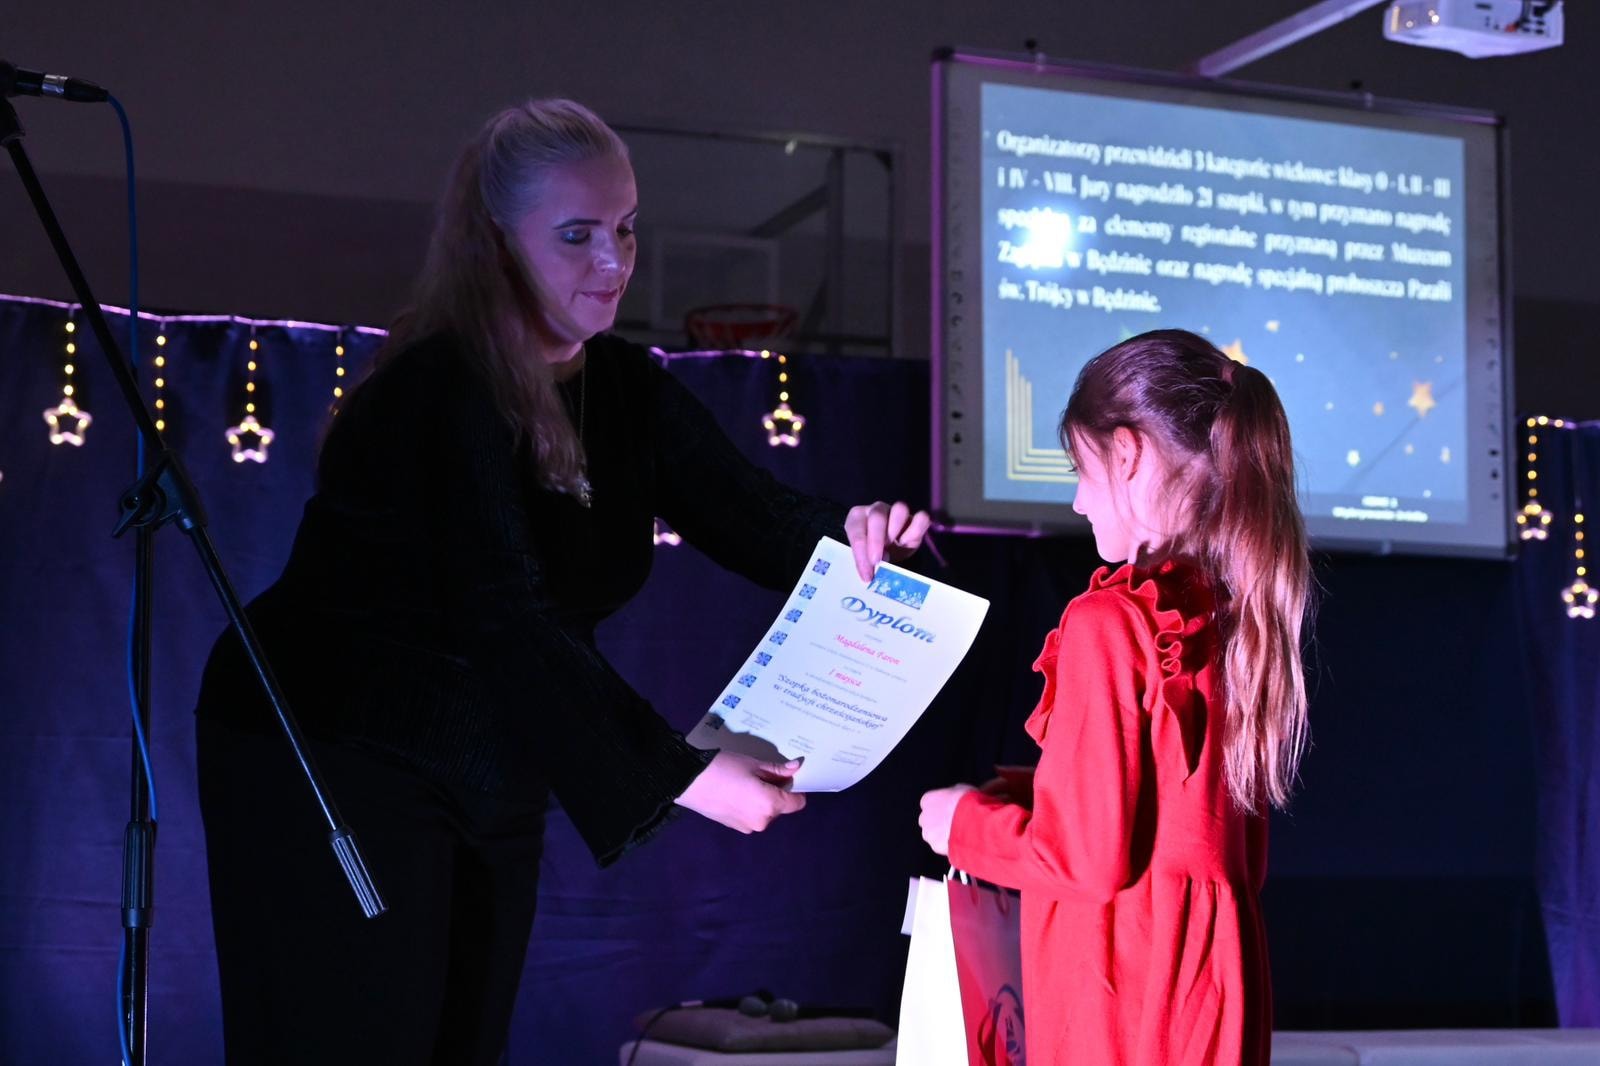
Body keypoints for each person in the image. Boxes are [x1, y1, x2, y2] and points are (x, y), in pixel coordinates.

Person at [193, 98, 928, 1066]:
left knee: (463, 1038)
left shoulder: (625, 388)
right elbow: (508, 618)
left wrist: (860, 538)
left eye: (626, 229)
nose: (613, 261)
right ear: (495, 242)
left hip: (490, 748)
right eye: (577, 235)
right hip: (330, 745)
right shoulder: (437, 389)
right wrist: (687, 775)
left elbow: (752, 512)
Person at [918, 329, 1311, 1066]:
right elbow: (1190, 824)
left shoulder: (1112, 621)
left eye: (1080, 468)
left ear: (1126, 454)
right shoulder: (1237, 615)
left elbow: (1083, 861)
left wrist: (963, 824)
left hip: (1126, 987)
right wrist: (1043, 791)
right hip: (1214, 981)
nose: (1076, 500)